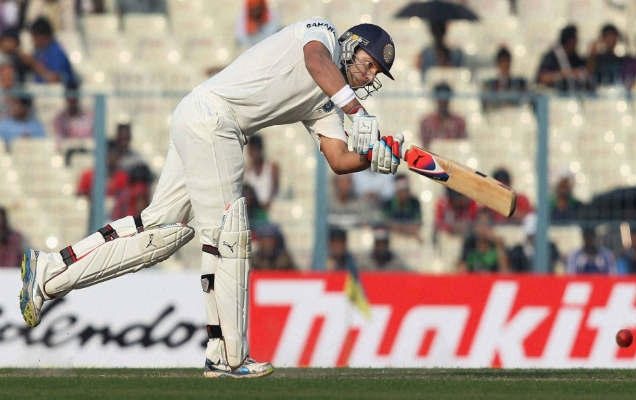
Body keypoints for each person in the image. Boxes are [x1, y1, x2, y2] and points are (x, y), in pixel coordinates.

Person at [19, 19, 400, 379]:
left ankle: (50, 270)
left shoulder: (328, 103)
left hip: (202, 119)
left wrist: (376, 156)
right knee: (228, 234)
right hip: (214, 120)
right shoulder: (323, 34)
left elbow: (338, 160)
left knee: (161, 231)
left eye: (376, 74)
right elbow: (315, 60)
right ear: (351, 45)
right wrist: (357, 112)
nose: (369, 76)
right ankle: (228, 356)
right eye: (368, 64)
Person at [536, 24, 590, 93]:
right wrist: (567, 74)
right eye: (575, 40)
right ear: (570, 41)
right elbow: (543, 78)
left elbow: (586, 72)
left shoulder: (574, 57)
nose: (577, 43)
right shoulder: (552, 56)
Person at [53, 82, 95, 164]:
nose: (72, 100)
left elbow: (93, 141)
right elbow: (59, 143)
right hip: (67, 157)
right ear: (65, 98)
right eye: (69, 97)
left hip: (87, 156)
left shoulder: (89, 116)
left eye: (75, 97)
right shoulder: (59, 119)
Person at [458, 208, 510, 273]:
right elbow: (461, 270)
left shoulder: (497, 244)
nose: (483, 228)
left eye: (487, 224)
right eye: (480, 223)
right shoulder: (469, 243)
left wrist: (498, 245)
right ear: (475, 226)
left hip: (492, 278)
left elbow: (504, 271)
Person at [29, 16, 76, 85]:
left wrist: (33, 63)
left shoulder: (56, 52)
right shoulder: (39, 51)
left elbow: (55, 80)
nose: (32, 41)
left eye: (34, 37)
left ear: (43, 37)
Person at [419, 82, 467, 149]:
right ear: (435, 98)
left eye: (445, 98)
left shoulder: (459, 122)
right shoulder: (426, 122)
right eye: (440, 98)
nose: (443, 101)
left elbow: (462, 145)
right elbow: (424, 146)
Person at [481, 46, 527, 111]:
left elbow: (523, 102)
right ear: (497, 63)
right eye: (502, 61)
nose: (505, 64)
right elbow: (486, 105)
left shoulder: (520, 83)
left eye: (507, 61)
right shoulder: (489, 84)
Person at [243, 134, 279, 210]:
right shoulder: (247, 170)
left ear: (260, 149)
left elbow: (276, 190)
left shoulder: (272, 167)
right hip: (253, 210)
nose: (251, 154)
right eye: (250, 151)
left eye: (254, 150)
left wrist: (268, 203)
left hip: (269, 209)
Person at [382, 174, 422, 239]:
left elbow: (417, 225)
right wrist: (407, 228)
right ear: (396, 191)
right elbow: (386, 224)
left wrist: (396, 227)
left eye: (406, 190)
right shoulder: (387, 203)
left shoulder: (414, 202)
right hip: (394, 238)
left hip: (410, 237)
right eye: (402, 190)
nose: (404, 193)